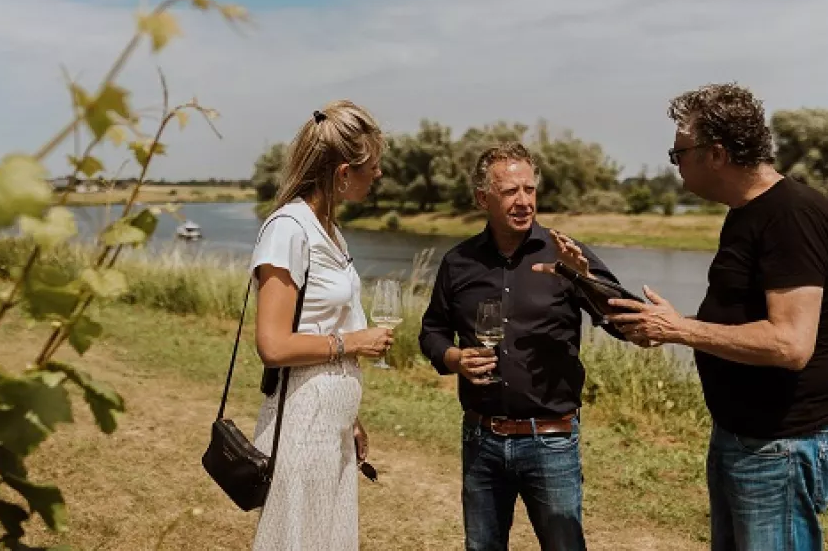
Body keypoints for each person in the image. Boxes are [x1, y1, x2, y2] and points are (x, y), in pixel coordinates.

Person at [606, 83, 828, 551]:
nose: (676, 164)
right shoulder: (745, 213)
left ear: (717, 154)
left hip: (777, 447)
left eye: (679, 152)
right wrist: (671, 326)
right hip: (739, 435)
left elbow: (791, 344)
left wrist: (680, 328)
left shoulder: (791, 215)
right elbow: (740, 318)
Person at [418, 141, 628, 551]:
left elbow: (624, 322)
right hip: (481, 439)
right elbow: (431, 331)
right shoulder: (458, 262)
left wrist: (585, 279)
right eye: (510, 191)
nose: (523, 201)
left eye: (529, 190)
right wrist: (453, 357)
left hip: (551, 441)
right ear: (483, 198)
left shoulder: (568, 254)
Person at [250, 101, 394, 551]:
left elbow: (319, 322)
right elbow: (272, 344)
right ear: (344, 172)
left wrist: (350, 419)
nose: (380, 176)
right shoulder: (288, 230)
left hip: (330, 423)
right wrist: (355, 341)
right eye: (374, 167)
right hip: (302, 424)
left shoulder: (328, 230)